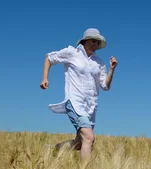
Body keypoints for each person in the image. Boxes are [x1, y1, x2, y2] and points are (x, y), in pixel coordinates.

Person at [40, 28, 118, 159]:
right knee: (89, 137)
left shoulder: (99, 63)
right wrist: (45, 78)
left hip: (91, 107)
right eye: (93, 41)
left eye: (98, 43)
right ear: (85, 40)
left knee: (80, 143)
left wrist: (112, 70)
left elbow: (105, 86)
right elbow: (49, 58)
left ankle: (53, 150)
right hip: (75, 102)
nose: (96, 45)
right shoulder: (72, 53)